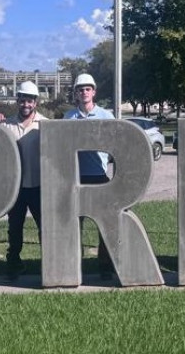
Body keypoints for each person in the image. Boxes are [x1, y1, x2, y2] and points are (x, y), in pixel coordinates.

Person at [64, 74, 115, 278]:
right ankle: (75, 265)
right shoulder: (68, 117)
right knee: (74, 225)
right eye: (80, 89)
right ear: (76, 93)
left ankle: (105, 266)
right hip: (75, 178)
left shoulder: (106, 116)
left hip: (100, 176)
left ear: (94, 92)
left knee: (104, 224)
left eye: (87, 89)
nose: (84, 92)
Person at [4, 81, 48, 280]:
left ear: (35, 103)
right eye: (23, 100)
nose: (26, 104)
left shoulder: (46, 125)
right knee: (14, 230)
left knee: (45, 228)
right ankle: (13, 265)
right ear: (18, 101)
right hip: (17, 188)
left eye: (29, 100)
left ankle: (48, 264)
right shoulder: (6, 125)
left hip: (39, 186)